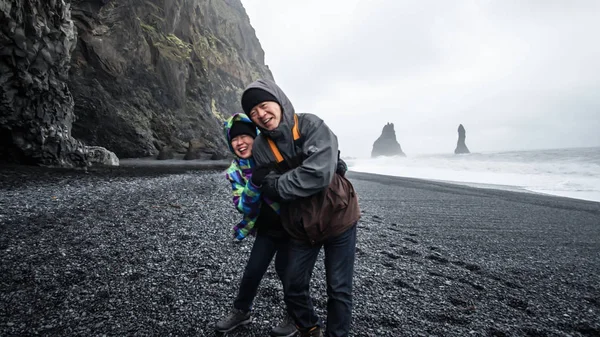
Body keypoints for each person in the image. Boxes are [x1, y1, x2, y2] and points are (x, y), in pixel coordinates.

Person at [240, 79, 361, 337]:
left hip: (339, 216)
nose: (260, 114)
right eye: (253, 112)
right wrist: (306, 172)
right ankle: (309, 328)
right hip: (300, 223)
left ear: (279, 101)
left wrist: (281, 181)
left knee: (338, 288)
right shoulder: (261, 146)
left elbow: (317, 176)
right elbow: (270, 185)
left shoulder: (311, 125)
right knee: (293, 284)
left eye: (263, 105)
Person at [215, 113, 296, 337]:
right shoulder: (235, 172)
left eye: (245, 136)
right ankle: (242, 312)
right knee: (252, 272)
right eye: (234, 139)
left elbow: (303, 168)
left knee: (288, 273)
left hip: (292, 228)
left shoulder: (275, 154)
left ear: (256, 136)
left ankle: (295, 316)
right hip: (267, 230)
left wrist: (331, 163)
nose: (240, 143)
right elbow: (244, 207)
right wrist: (255, 182)